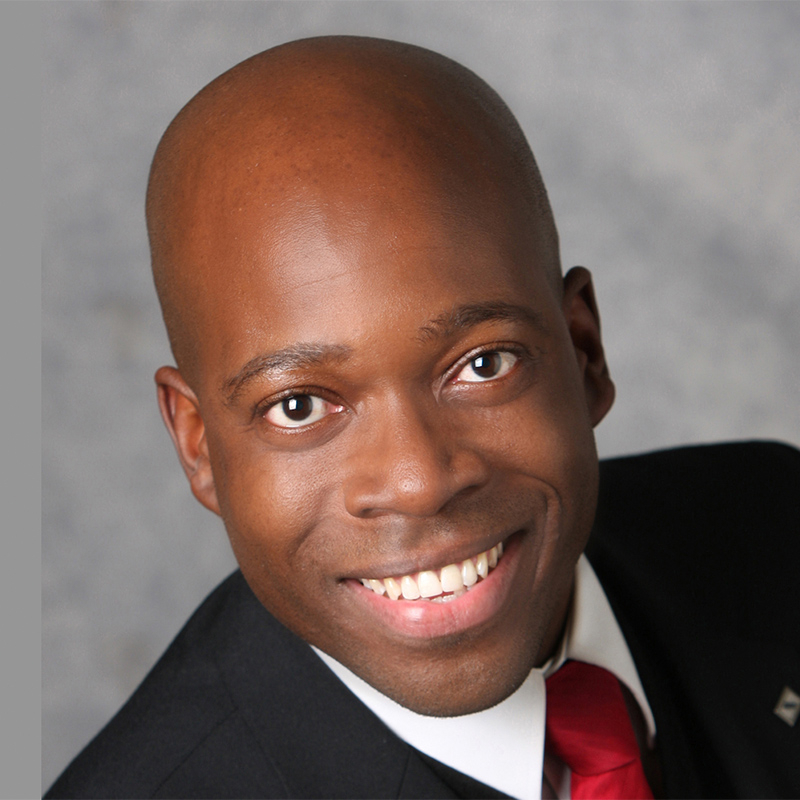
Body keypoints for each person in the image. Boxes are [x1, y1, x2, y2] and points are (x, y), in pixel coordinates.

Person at [47, 36, 799, 799]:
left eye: (483, 364)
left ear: (583, 352)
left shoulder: (773, 522)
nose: (417, 481)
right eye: (299, 406)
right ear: (199, 446)